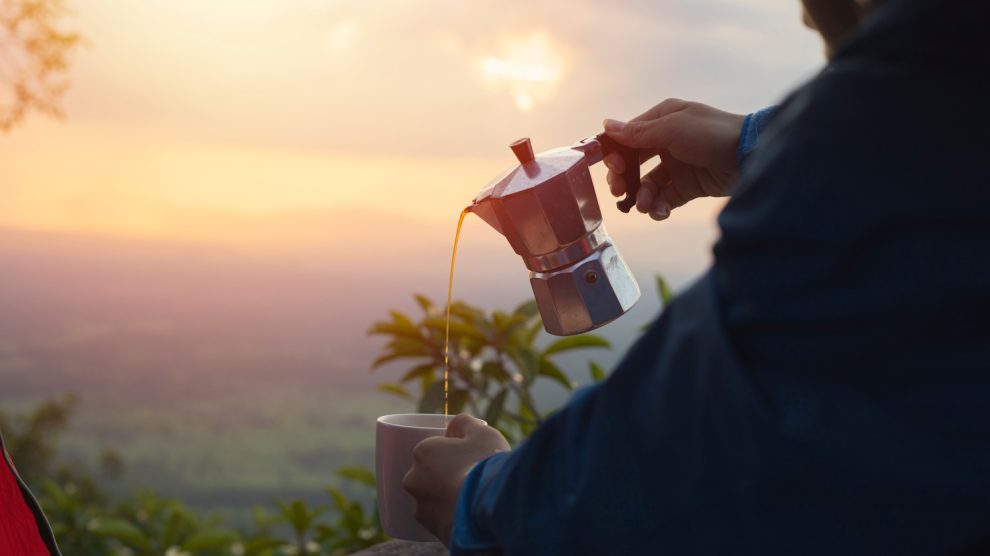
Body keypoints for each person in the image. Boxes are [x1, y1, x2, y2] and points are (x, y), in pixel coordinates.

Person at [403, 0, 990, 553]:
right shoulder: (941, 111)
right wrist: (748, 140)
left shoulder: (852, 148)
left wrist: (478, 494)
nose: (806, 15)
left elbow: (664, 448)